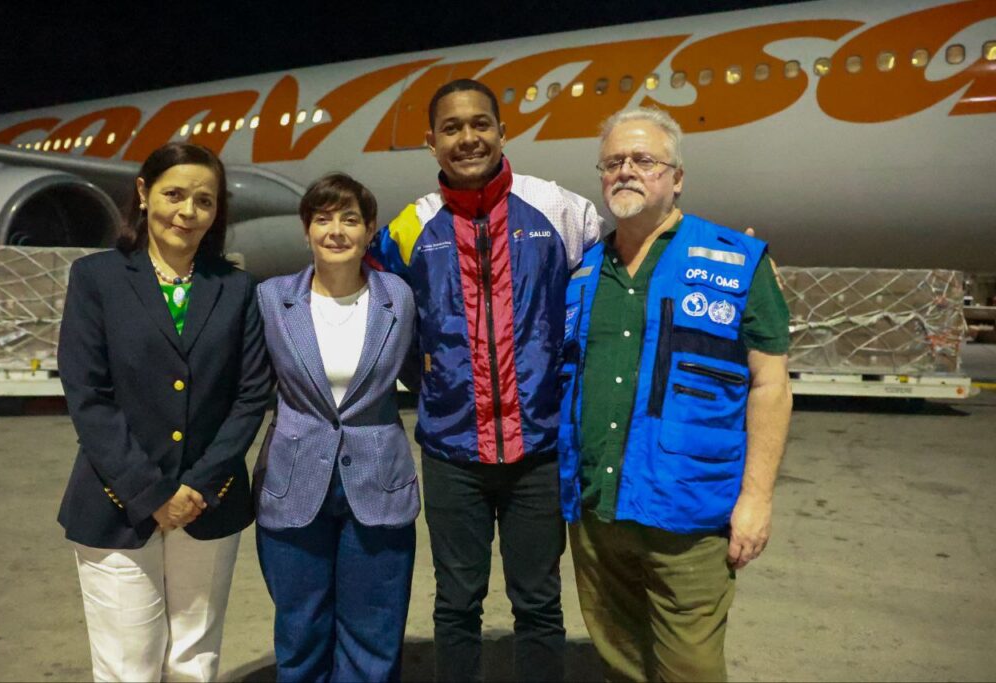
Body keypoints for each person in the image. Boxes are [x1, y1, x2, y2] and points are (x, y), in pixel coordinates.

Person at [367, 78, 604, 682]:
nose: (468, 138)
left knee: (540, 605)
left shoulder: (563, 211)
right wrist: (423, 378)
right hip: (452, 452)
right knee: (456, 604)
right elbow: (369, 301)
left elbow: (611, 287)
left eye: (480, 124)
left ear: (503, 131)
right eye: (451, 128)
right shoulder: (410, 227)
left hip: (539, 450)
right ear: (431, 142)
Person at [559, 107, 793, 683]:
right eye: (613, 162)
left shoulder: (738, 261)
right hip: (598, 513)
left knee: (691, 669)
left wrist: (756, 500)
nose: (626, 171)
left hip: (689, 516)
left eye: (644, 160)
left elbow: (770, 384)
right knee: (620, 662)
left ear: (677, 177)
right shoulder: (583, 272)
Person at [57, 142, 272, 682]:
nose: (187, 212)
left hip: (208, 502)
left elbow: (251, 396)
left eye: (204, 200)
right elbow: (89, 395)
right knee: (128, 666)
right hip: (116, 502)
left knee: (194, 663)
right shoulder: (97, 279)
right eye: (174, 194)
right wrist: (151, 493)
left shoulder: (237, 288)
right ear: (143, 193)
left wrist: (198, 485)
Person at [254, 173, 421, 683]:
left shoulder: (398, 298)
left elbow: (424, 373)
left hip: (378, 483)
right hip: (293, 483)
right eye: (323, 219)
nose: (336, 231)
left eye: (350, 219)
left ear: (370, 231)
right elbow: (246, 385)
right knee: (300, 633)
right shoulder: (272, 298)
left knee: (374, 636)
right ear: (306, 229)